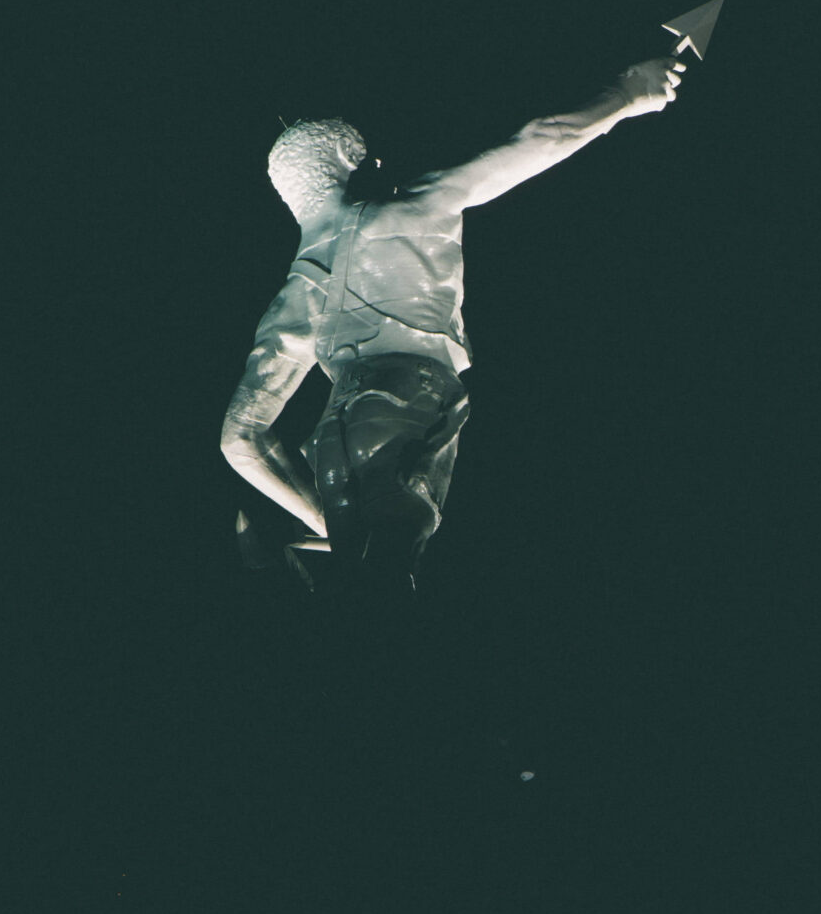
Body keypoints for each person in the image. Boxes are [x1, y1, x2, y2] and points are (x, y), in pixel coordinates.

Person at [221, 57, 685, 589]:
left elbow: (240, 438)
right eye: (367, 158)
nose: (379, 165)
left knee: (364, 582)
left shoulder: (296, 293)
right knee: (386, 574)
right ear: (347, 159)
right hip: (407, 398)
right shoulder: (415, 206)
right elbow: (542, 137)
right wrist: (627, 94)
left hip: (334, 438)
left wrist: (321, 518)